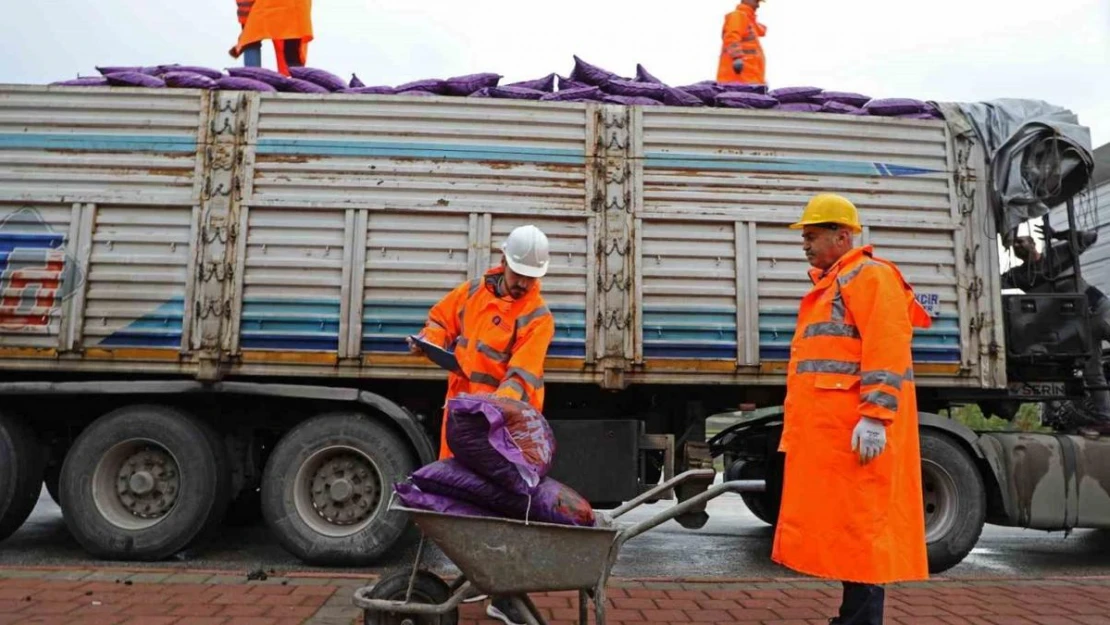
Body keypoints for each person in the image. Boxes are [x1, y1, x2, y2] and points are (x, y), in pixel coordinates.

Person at [771, 193, 932, 625]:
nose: (804, 245)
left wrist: (875, 417)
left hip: (856, 431)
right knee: (851, 530)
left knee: (862, 531)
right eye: (803, 237)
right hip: (839, 432)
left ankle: (860, 622)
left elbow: (887, 348)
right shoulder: (838, 281)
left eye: (811, 236)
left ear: (841, 236)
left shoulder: (869, 276)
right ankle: (853, 618)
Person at [409, 224, 555, 625]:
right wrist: (429, 339)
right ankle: (488, 582)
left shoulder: (538, 317)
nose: (525, 282)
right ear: (504, 261)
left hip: (504, 431)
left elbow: (521, 376)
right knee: (466, 504)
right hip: (463, 421)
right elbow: (441, 319)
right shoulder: (472, 292)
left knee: (504, 510)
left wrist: (493, 410)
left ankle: (502, 593)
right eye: (520, 272)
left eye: (532, 276)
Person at [1003, 230, 1110, 435]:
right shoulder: (1020, 276)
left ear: (1033, 243)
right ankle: (1105, 419)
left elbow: (1090, 237)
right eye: (1014, 244)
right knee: (1093, 374)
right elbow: (991, 280)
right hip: (1080, 327)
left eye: (1021, 240)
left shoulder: (1058, 254)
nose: (1017, 245)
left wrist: (1058, 234)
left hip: (1099, 309)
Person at [228, 0, 313, 77]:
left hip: (275, 5)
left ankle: (252, 78)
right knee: (292, 40)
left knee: (251, 40)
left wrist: (245, 29)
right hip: (295, 6)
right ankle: (296, 78)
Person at [717, 0, 767, 85]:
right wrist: (736, 58)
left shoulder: (749, 21)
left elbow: (760, 30)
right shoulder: (738, 16)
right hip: (738, 76)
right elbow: (731, 36)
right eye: (756, 2)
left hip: (749, 76)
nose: (758, 6)